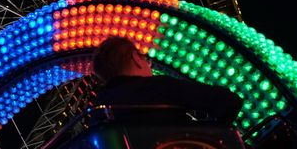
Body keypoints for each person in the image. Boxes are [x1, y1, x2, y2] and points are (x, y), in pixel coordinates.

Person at [92, 36, 243, 122]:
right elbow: (229, 102)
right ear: (135, 58)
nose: (148, 65)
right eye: (145, 59)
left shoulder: (97, 112)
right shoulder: (159, 87)